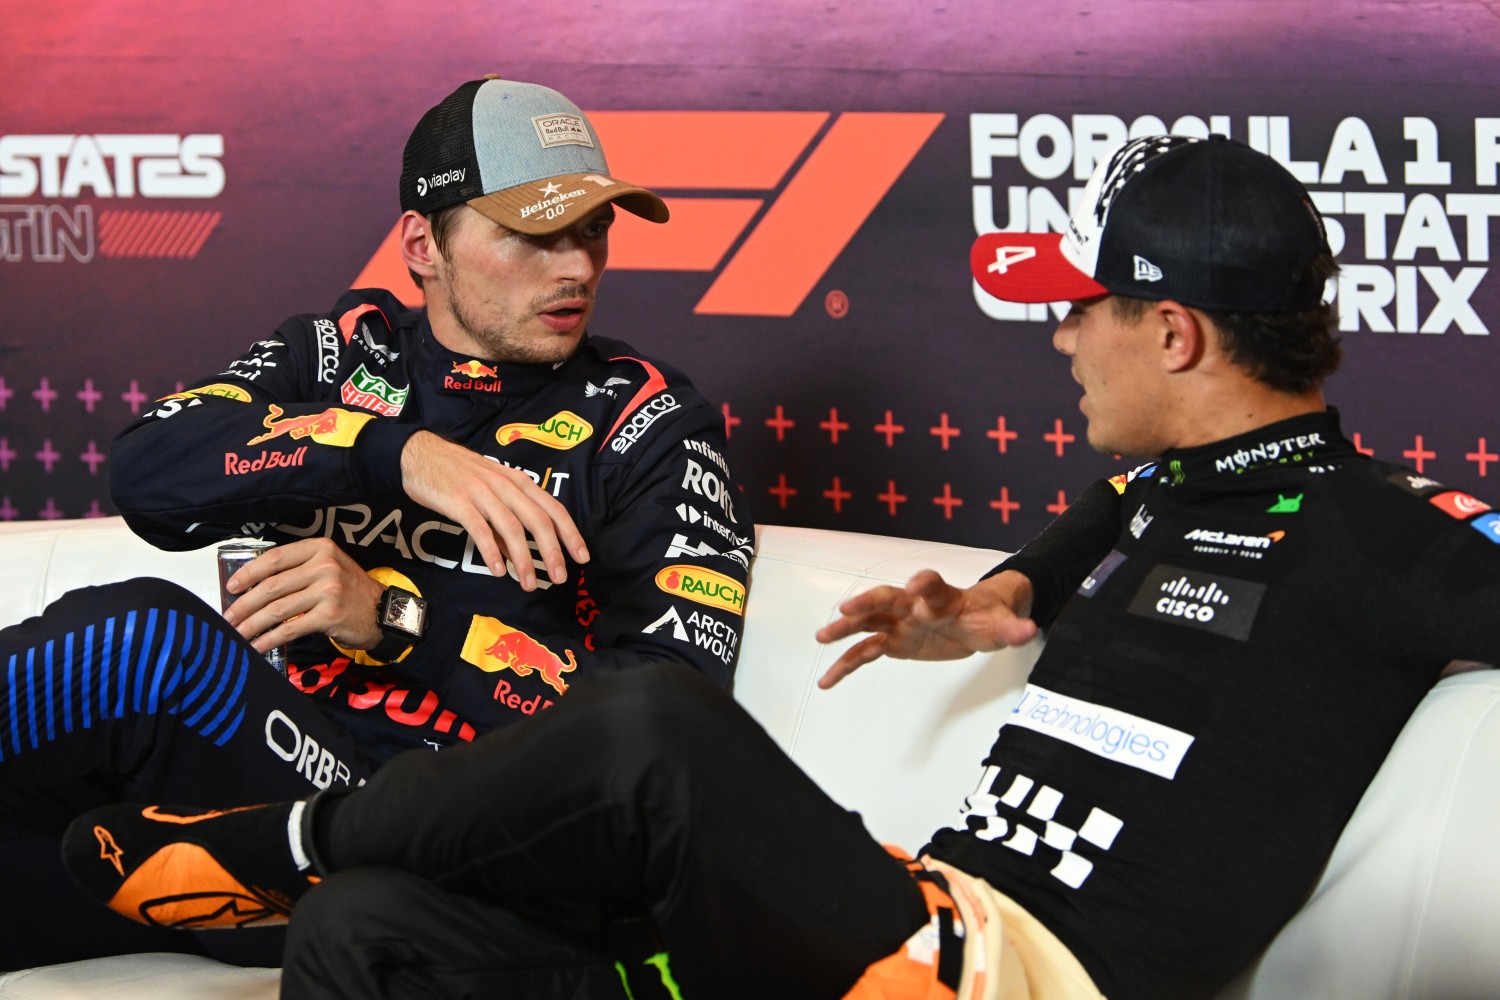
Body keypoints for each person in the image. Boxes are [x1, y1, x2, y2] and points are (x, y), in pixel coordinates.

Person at [60, 135, 1500, 999]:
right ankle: (317, 879)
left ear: (1174, 336)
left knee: (655, 728)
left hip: (1021, 979)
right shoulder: (1147, 495)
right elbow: (1047, 575)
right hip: (903, 925)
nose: (1058, 340)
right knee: (374, 941)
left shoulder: (1388, 534)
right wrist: (982, 608)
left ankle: (270, 851)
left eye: (1081, 312)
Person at [0, 77, 752, 969]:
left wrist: (398, 621)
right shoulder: (343, 352)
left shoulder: (647, 427)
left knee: (148, 646)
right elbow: (149, 469)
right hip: (250, 779)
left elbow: (664, 729)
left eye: (592, 230)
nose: (577, 268)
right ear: (421, 244)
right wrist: (390, 452)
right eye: (535, 234)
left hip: (428, 827)